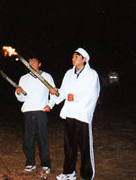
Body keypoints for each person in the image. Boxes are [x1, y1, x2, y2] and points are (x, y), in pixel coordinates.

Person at [45, 48, 100, 180]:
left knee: (85, 147)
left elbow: (92, 94)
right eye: (73, 57)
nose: (73, 59)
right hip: (70, 114)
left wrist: (74, 97)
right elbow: (63, 91)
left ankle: (87, 175)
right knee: (69, 146)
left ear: (84, 59)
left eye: (76, 57)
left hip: (82, 115)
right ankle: (69, 172)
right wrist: (55, 92)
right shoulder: (69, 73)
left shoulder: (92, 75)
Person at [15, 57, 56, 174]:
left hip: (40, 111)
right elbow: (22, 99)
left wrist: (50, 105)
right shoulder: (23, 78)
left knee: (42, 138)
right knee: (28, 139)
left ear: (40, 63)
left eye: (34, 61)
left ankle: (46, 164)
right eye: (30, 62)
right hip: (28, 111)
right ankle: (30, 163)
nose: (32, 63)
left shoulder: (47, 77)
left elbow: (53, 92)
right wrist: (19, 93)